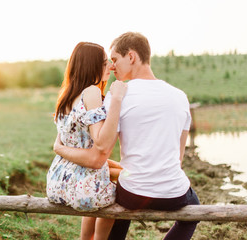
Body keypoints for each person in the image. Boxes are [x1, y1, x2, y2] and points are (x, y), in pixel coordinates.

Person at [53, 32, 200, 240]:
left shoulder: (118, 94)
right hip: (173, 193)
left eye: (114, 59)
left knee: (119, 200)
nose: (112, 66)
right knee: (194, 210)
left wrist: (59, 148)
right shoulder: (180, 97)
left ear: (131, 57)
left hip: (133, 193)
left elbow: (102, 148)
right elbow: (178, 158)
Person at [46, 42, 127, 240]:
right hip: (83, 185)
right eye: (104, 62)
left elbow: (71, 146)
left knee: (119, 173)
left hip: (58, 180)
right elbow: (99, 142)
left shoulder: (66, 94)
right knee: (122, 194)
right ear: (91, 66)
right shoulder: (90, 92)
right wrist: (116, 99)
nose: (110, 66)